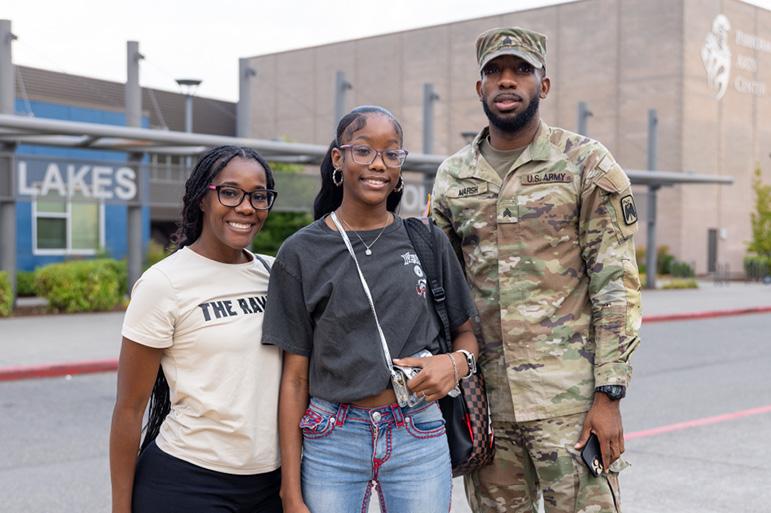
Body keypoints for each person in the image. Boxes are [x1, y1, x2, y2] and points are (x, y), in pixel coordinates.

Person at [431, 27, 642, 513]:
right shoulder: (453, 177)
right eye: (494, 72)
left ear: (543, 85)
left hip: (570, 405)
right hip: (487, 409)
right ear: (479, 87)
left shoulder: (585, 163)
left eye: (521, 70)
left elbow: (616, 284)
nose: (507, 82)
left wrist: (609, 395)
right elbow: (439, 291)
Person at [261, 105, 480, 513]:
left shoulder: (427, 242)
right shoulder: (300, 253)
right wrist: (289, 492)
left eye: (391, 153)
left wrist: (455, 363)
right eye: (363, 151)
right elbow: (293, 379)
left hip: (418, 428)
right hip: (333, 436)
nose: (378, 164)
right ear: (338, 159)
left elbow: (467, 334)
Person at [109, 145, 283, 513]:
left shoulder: (275, 273)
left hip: (272, 484)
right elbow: (129, 409)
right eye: (230, 192)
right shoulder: (164, 283)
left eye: (258, 196)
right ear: (203, 198)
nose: (246, 207)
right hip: (188, 482)